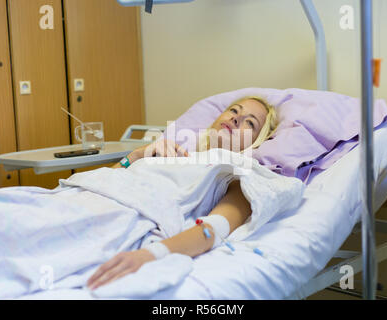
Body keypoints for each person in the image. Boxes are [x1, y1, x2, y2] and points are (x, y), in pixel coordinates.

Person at [87, 96, 278, 290]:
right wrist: (135, 156)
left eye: (250, 122)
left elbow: (212, 230)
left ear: (257, 141)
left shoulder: (237, 173)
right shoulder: (174, 153)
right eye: (234, 111)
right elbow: (100, 182)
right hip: (87, 201)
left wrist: (150, 255)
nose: (236, 118)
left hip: (114, 221)